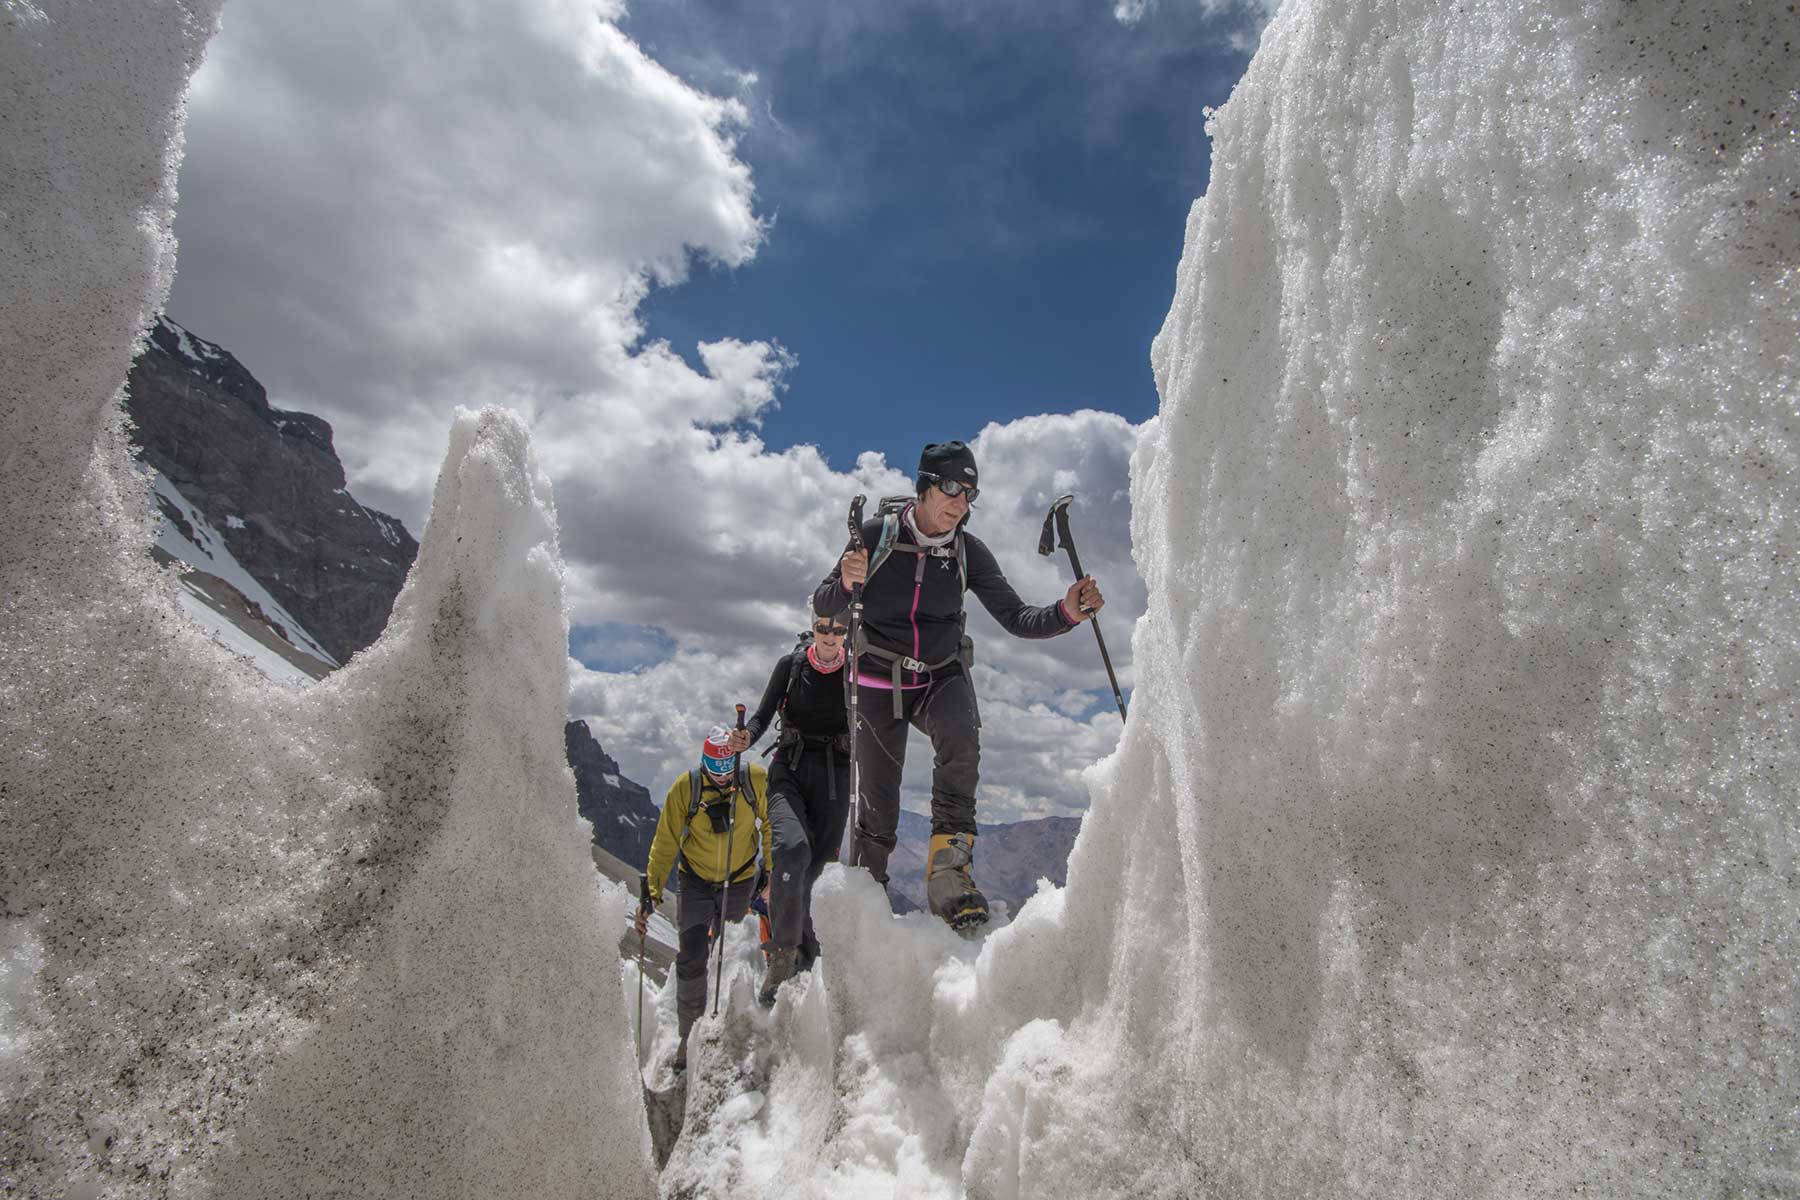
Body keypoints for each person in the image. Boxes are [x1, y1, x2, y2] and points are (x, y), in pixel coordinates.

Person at [813, 440, 1105, 928]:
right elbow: (826, 605)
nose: (960, 502)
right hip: (876, 678)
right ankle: (869, 900)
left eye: (970, 493)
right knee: (877, 801)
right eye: (951, 488)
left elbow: (1016, 616)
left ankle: (950, 874)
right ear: (924, 485)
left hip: (938, 675)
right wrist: (846, 581)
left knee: (962, 740)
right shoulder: (875, 535)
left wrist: (1066, 611)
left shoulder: (968, 551)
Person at [635, 725, 770, 1074]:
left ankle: (729, 1026)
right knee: (692, 957)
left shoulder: (754, 781)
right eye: (716, 769)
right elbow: (665, 841)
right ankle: (688, 1036)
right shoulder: (687, 788)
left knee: (732, 955)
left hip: (739, 879)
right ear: (704, 762)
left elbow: (771, 823)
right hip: (694, 880)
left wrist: (770, 869)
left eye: (728, 769)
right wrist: (651, 890)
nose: (723, 778)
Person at [740, 605, 852, 1005]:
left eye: (837, 628)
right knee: (791, 850)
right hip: (789, 769)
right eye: (822, 626)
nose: (829, 633)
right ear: (812, 626)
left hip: (835, 779)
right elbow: (761, 716)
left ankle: (811, 959)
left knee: (817, 873)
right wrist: (745, 739)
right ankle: (782, 957)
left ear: (847, 630)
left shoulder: (856, 673)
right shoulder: (791, 666)